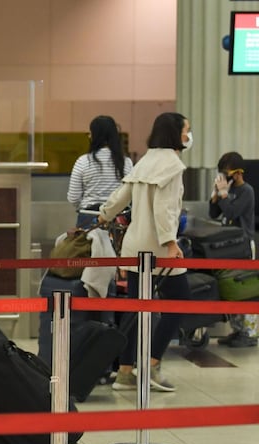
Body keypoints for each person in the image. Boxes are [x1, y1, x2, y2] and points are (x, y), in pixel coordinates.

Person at [98, 112, 193, 392]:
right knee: (179, 300)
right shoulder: (172, 165)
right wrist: (170, 242)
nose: (189, 135)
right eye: (187, 130)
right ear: (175, 133)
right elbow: (166, 208)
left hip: (133, 246)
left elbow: (120, 196)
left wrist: (104, 215)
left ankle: (126, 372)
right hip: (159, 248)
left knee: (136, 308)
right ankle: (152, 364)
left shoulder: (146, 161)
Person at [209, 151, 257, 347]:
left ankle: (249, 332)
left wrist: (223, 195)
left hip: (243, 243)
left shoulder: (247, 191)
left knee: (244, 288)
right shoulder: (227, 190)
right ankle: (236, 329)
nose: (225, 178)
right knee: (231, 287)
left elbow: (232, 211)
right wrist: (215, 197)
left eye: (227, 174)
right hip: (227, 244)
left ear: (238, 173)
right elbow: (214, 214)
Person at [67, 115, 133, 228]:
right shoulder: (126, 162)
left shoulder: (83, 161)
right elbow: (131, 194)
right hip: (119, 219)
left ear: (95, 136)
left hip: (88, 217)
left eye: (90, 133)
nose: (89, 136)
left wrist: (85, 206)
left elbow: (73, 197)